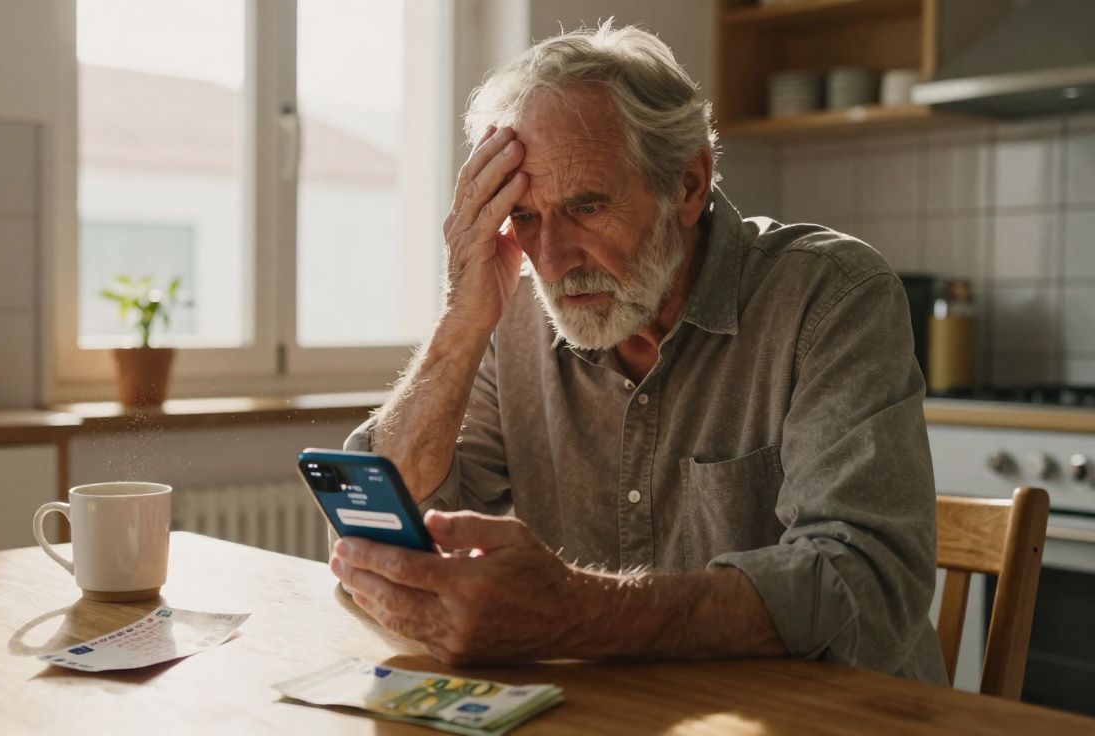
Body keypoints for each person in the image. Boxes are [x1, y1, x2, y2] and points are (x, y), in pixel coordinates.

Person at [329, 21, 947, 684]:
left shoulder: (829, 297)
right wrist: (460, 320)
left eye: (586, 207)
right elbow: (371, 527)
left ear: (687, 185)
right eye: (526, 217)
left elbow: (866, 587)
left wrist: (575, 613)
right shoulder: (513, 315)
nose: (553, 261)